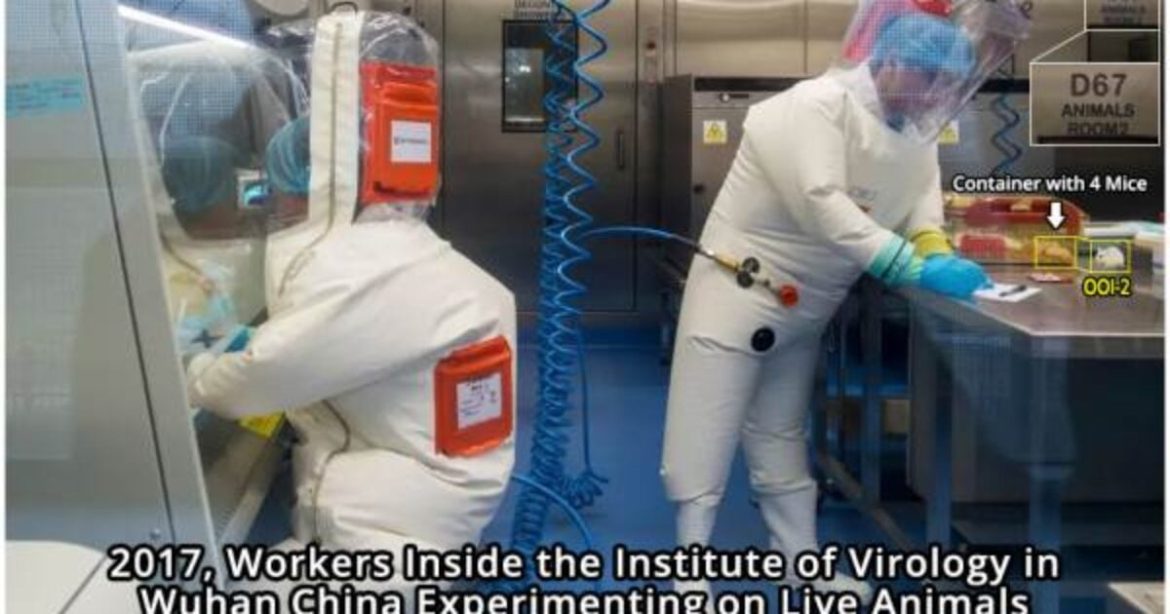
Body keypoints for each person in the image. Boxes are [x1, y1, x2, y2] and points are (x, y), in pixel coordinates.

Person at [660, 0, 1029, 603]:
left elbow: (921, 210)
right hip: (737, 294)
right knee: (703, 434)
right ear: (891, 61)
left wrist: (933, 249)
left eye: (945, 82)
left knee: (782, 435)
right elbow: (822, 203)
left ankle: (799, 566)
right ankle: (689, 580)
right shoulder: (812, 107)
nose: (933, 94)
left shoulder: (915, 132)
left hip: (807, 307)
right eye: (927, 77)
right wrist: (906, 264)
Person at [185, 11, 516, 602]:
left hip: (387, 537)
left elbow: (250, 383)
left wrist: (193, 369)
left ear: (319, 187)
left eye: (283, 188)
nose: (277, 203)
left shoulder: (367, 275)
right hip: (431, 507)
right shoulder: (406, 251)